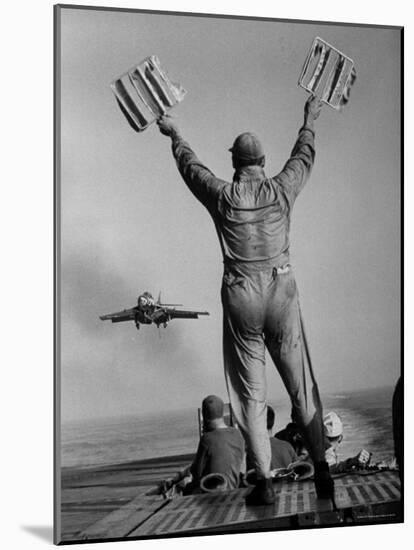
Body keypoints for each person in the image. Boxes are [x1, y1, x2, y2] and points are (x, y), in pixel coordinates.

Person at [157, 95, 333, 504]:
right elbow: (303, 156)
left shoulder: (222, 197)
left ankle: (265, 483)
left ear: (235, 162)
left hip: (241, 297)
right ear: (263, 161)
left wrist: (175, 133)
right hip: (281, 290)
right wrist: (308, 118)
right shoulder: (282, 189)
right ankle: (322, 469)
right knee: (301, 389)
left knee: (251, 397)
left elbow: (192, 168)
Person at [188, 395, 245, 491]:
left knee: (187, 488)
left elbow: (197, 472)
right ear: (222, 412)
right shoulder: (237, 434)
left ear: (204, 416)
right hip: (235, 487)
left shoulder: (206, 439)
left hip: (212, 491)